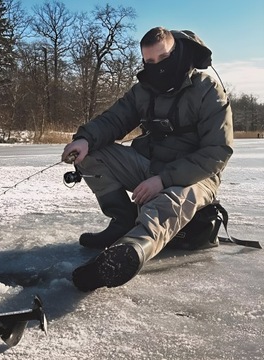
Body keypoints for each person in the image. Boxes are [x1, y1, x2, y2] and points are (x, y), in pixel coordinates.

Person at [61, 27, 233, 292]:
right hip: (150, 166)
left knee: (171, 198)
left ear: (177, 52)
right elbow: (114, 119)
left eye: (163, 59)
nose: (157, 68)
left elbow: (217, 153)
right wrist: (85, 139)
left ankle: (131, 250)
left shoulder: (209, 91)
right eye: (149, 62)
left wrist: (163, 180)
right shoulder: (143, 90)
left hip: (196, 176)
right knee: (92, 154)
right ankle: (122, 223)